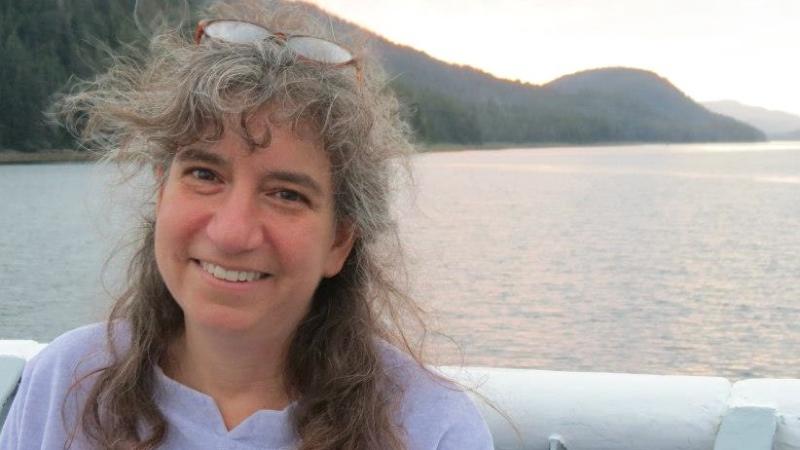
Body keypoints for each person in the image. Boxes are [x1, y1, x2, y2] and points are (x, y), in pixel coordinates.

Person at [0, 1, 494, 449]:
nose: (232, 233)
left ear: (339, 241)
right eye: (204, 174)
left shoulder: (431, 430)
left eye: (286, 194)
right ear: (160, 192)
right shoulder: (67, 383)